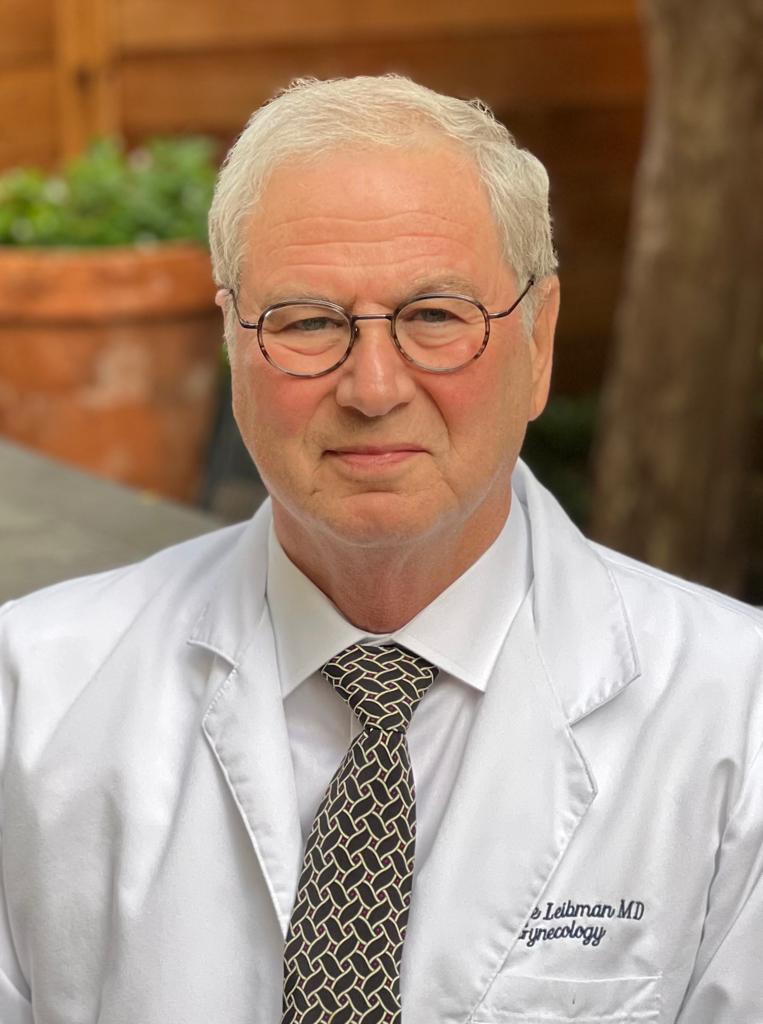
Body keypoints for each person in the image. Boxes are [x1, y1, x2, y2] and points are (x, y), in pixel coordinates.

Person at [0, 75, 761, 1024]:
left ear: (538, 342)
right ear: (233, 344)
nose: (372, 387)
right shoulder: (30, 696)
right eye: (309, 322)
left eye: (435, 316)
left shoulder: (739, 718)